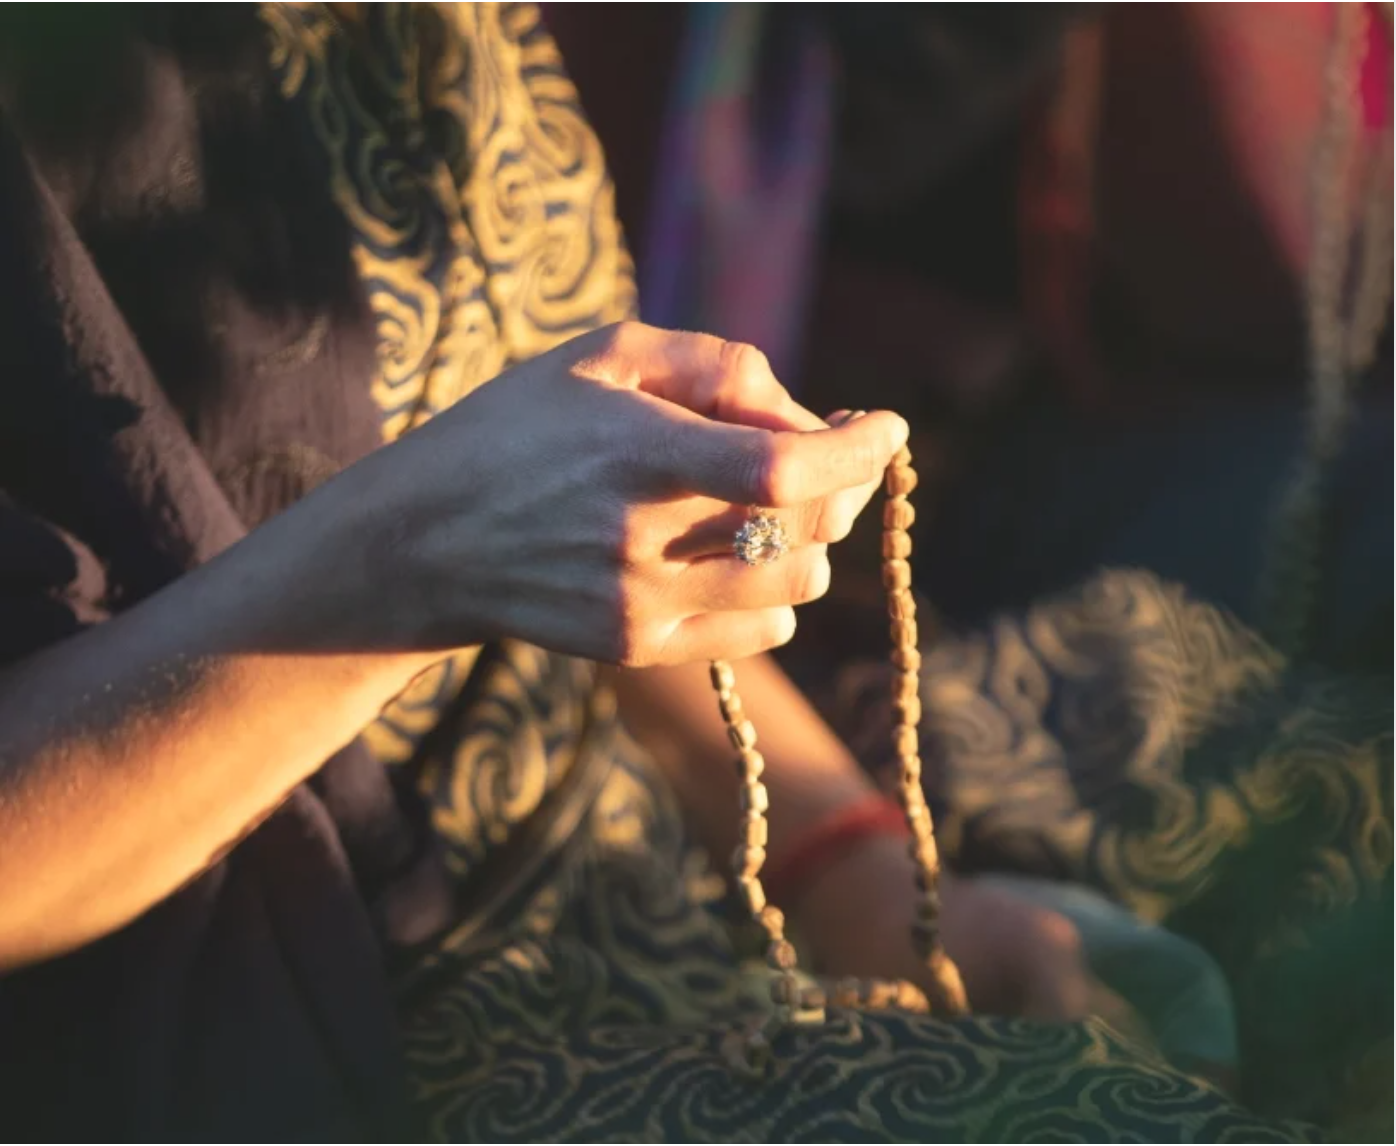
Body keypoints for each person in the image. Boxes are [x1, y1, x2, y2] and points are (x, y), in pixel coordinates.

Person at [0, 5, 1313, 1140]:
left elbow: (582, 525)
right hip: (290, 1037)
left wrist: (850, 863)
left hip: (648, 857)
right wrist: (399, 564)